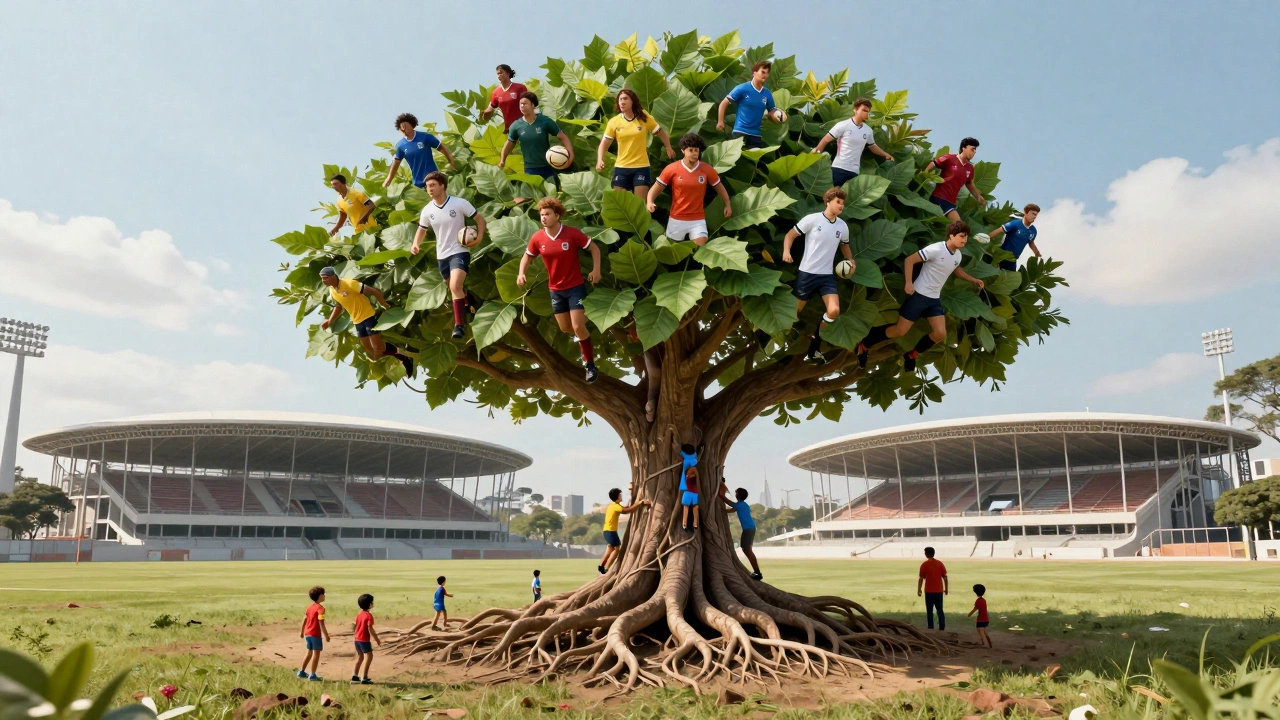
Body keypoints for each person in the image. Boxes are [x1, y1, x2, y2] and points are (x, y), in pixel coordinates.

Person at [856, 220, 985, 372]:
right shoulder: (936, 249)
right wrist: (909, 283)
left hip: (933, 300)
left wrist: (973, 280)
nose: (965, 240)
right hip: (918, 296)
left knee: (940, 333)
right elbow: (909, 260)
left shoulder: (957, 255)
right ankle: (864, 345)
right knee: (900, 331)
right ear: (952, 235)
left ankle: (911, 355)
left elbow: (957, 269)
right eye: (962, 236)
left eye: (966, 237)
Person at [517, 197, 602, 382]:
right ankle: (584, 334)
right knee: (565, 328)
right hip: (555, 290)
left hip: (575, 287)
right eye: (541, 215)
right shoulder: (538, 238)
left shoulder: (571, 234)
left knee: (578, 326)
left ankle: (590, 365)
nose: (543, 218)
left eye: (547, 214)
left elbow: (594, 249)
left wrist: (596, 270)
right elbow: (527, 257)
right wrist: (521, 273)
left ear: (557, 215)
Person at [783, 187, 854, 364]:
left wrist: (851, 260)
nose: (841, 206)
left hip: (826, 277)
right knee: (794, 313)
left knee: (834, 310)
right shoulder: (812, 220)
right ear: (828, 201)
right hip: (806, 274)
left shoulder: (842, 226)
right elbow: (790, 235)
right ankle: (786, 340)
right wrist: (786, 251)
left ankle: (816, 343)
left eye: (843, 203)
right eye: (838, 202)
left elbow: (845, 245)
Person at [412, 171, 487, 339]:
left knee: (454, 286)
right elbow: (421, 230)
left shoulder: (459, 203)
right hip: (442, 255)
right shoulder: (427, 210)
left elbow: (480, 220)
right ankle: (470, 299)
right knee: (453, 287)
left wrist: (479, 236)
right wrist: (415, 244)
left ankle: (459, 326)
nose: (429, 189)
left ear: (442, 186)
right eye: (427, 187)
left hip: (459, 251)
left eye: (432, 185)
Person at [319, 267, 414, 377]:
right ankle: (403, 356)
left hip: (368, 316)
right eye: (322, 279)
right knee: (369, 349)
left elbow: (373, 291)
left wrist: (383, 302)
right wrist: (330, 320)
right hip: (357, 321)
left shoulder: (349, 284)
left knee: (377, 348)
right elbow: (339, 305)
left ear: (332, 276)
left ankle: (405, 359)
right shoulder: (332, 290)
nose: (323, 281)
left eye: (325, 278)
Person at [647, 132, 732, 246]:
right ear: (683, 150)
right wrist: (650, 201)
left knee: (701, 247)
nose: (694, 153)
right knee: (673, 252)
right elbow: (656, 188)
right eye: (690, 150)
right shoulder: (672, 169)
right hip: (676, 219)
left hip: (697, 219)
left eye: (696, 150)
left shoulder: (706, 169)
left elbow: (720, 187)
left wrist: (727, 204)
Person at [597, 89, 674, 198]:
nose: (622, 102)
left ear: (633, 101)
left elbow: (660, 132)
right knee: (621, 203)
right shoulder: (614, 122)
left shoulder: (643, 117)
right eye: (620, 99)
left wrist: (668, 147)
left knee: (640, 204)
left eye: (625, 99)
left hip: (641, 167)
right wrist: (600, 159)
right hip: (621, 167)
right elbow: (604, 143)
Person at [812, 98, 895, 187]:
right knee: (832, 196)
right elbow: (825, 139)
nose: (866, 113)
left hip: (854, 171)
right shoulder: (843, 125)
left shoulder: (868, 130)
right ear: (855, 110)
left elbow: (872, 146)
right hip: (839, 168)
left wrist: (885, 154)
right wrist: (817, 153)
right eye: (863, 110)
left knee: (847, 199)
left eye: (867, 111)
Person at [500, 92, 574, 184]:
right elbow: (509, 144)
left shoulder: (545, 121)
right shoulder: (516, 126)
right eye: (520, 104)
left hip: (548, 167)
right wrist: (502, 160)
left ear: (533, 105)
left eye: (525, 103)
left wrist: (570, 155)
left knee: (551, 196)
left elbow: (563, 137)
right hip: (530, 169)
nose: (522, 106)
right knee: (531, 197)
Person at [716, 61, 782, 149]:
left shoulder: (767, 94)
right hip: (739, 132)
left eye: (767, 73)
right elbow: (724, 103)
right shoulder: (742, 88)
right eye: (763, 72)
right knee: (735, 160)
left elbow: (772, 111)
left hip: (756, 135)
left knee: (754, 161)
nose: (765, 75)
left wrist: (779, 115)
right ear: (754, 72)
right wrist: (720, 121)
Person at [383, 113, 458, 189]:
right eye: (400, 127)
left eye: (405, 126)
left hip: (433, 178)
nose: (403, 129)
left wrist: (451, 161)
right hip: (418, 183)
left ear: (412, 125)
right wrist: (389, 178)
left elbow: (442, 148)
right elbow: (396, 162)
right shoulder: (400, 145)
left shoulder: (425, 137)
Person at [922, 138, 984, 220]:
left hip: (951, 202)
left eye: (975, 150)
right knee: (959, 226)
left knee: (951, 229)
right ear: (963, 148)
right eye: (972, 149)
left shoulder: (970, 168)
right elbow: (934, 163)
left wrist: (978, 196)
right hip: (939, 197)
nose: (974, 152)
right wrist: (924, 175)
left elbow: (969, 183)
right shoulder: (950, 158)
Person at [599, 487, 649, 574]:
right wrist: (639, 503)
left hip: (607, 531)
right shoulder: (615, 506)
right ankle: (607, 568)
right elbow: (627, 510)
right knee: (617, 549)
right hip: (611, 532)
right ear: (617, 496)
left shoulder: (612, 505)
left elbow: (627, 507)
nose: (621, 496)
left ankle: (601, 566)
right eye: (620, 495)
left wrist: (635, 499)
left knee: (610, 549)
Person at [721, 482, 762, 580]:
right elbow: (732, 510)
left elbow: (729, 503)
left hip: (748, 529)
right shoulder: (742, 505)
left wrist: (720, 494)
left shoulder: (740, 505)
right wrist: (722, 510)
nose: (735, 494)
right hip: (749, 529)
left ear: (739, 495)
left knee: (747, 550)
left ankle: (757, 572)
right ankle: (756, 571)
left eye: (736, 493)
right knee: (745, 549)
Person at [987, 204, 1041, 270]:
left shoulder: (1033, 230)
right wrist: (987, 238)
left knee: (1010, 278)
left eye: (1036, 215)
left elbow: (1031, 242)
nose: (1034, 216)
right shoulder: (1015, 224)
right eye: (1033, 213)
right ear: (1026, 213)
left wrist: (1036, 252)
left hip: (1012, 259)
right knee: (993, 273)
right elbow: (1000, 230)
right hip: (1002, 254)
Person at [479, 64, 527, 131]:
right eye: (497, 74)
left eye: (501, 73)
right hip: (509, 129)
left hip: (524, 125)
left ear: (508, 73)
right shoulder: (496, 92)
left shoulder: (519, 88)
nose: (499, 75)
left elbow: (530, 104)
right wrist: (485, 112)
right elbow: (491, 107)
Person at [297, 586, 330, 681]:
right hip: (315, 634)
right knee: (316, 654)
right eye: (323, 594)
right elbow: (321, 623)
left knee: (308, 652)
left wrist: (302, 631)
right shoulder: (321, 609)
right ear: (320, 596)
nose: (324, 596)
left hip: (308, 633)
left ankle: (301, 672)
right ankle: (313, 675)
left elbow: (305, 619)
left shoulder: (309, 607)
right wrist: (326, 635)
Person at [351, 593, 381, 684]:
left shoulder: (359, 614)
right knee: (369, 656)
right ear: (369, 604)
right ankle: (364, 677)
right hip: (364, 640)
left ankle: (355, 676)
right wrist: (377, 639)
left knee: (360, 658)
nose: (373, 604)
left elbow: (355, 626)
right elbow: (370, 628)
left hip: (357, 639)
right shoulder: (369, 616)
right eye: (372, 602)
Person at [916, 546, 948, 631]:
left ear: (926, 554)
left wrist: (919, 590)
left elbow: (921, 578)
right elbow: (945, 577)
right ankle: (942, 626)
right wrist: (946, 588)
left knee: (929, 610)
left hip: (929, 591)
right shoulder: (940, 563)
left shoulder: (924, 565)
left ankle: (930, 626)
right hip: (939, 591)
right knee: (940, 609)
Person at [968, 584, 992, 648]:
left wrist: (969, 614)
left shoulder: (978, 601)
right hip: (985, 619)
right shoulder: (983, 600)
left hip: (981, 619)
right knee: (983, 631)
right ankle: (989, 643)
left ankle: (986, 645)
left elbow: (975, 609)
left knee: (981, 632)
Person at [680, 466, 701, 532]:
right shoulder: (687, 477)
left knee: (695, 507)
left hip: (694, 493)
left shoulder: (695, 478)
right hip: (688, 493)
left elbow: (695, 472)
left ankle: (695, 524)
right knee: (686, 507)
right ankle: (684, 524)